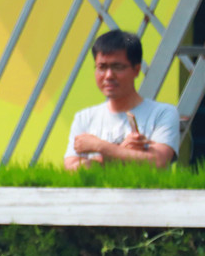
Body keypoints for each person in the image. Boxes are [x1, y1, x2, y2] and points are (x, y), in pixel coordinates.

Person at [64, 29, 179, 170]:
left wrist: (98, 146)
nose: (108, 75)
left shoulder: (162, 113)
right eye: (102, 67)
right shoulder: (84, 117)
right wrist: (122, 152)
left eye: (117, 67)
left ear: (136, 70)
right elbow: (72, 169)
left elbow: (158, 162)